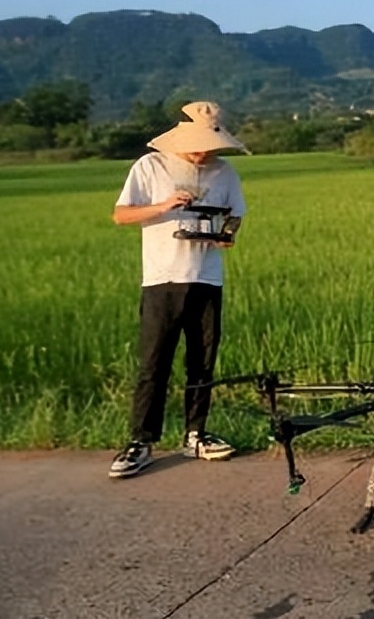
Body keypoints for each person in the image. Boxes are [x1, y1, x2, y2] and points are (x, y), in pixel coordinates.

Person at [108, 101, 249, 479]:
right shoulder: (150, 166)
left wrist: (228, 235)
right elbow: (121, 215)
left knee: (202, 361)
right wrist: (165, 204)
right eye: (197, 144)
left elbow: (236, 213)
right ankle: (142, 440)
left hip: (207, 276)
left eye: (209, 145)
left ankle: (196, 434)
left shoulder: (224, 173)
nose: (202, 153)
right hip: (162, 279)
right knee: (154, 363)